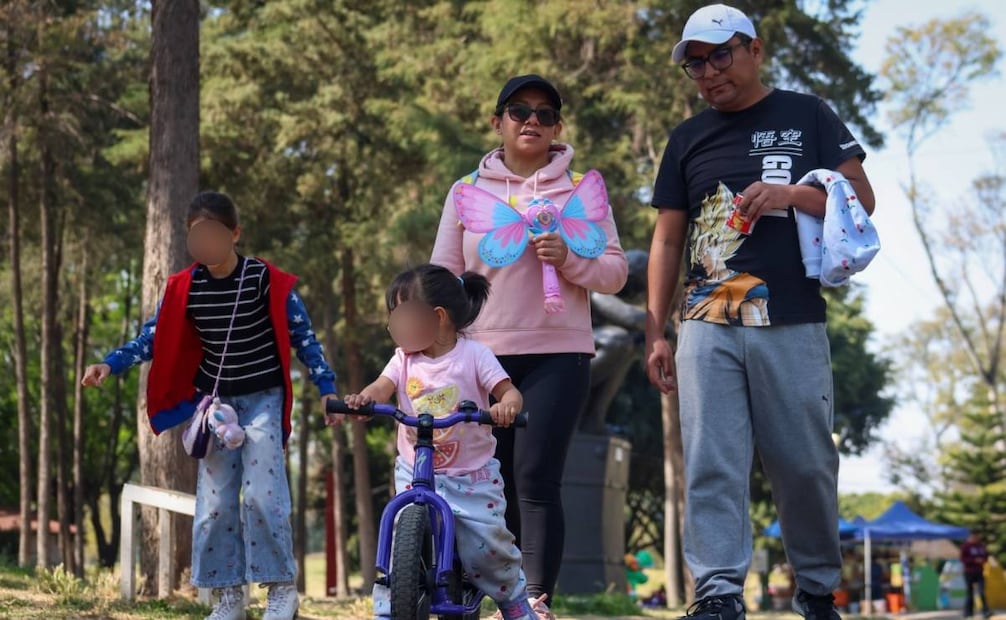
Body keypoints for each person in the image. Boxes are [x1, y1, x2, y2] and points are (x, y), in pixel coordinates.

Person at [643, 5, 876, 620]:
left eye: (720, 54)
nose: (709, 71)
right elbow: (668, 239)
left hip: (793, 317)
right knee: (712, 459)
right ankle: (718, 592)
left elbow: (862, 198)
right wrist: (655, 332)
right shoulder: (687, 138)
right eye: (695, 62)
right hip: (704, 318)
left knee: (804, 462)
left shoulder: (810, 113)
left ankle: (818, 590)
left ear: (755, 49)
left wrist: (791, 194)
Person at [82, 191, 336, 620]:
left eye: (213, 234)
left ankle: (280, 590)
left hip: (262, 401)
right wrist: (110, 364)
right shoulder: (186, 288)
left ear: (234, 234)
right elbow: (152, 338)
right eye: (195, 236)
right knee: (215, 504)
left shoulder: (262, 279)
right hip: (216, 409)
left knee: (261, 494)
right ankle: (228, 596)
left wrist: (326, 387)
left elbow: (304, 338)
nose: (203, 244)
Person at [431, 74, 628, 607]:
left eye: (545, 113)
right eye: (519, 111)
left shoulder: (581, 186)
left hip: (558, 356)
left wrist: (570, 258)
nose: (532, 121)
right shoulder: (466, 189)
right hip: (480, 358)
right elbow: (441, 279)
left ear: (557, 126)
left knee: (535, 480)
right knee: (480, 487)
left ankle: (534, 603)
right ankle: (476, 595)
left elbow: (614, 274)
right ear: (498, 122)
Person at [338, 264, 544, 620]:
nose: (394, 327)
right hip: (414, 469)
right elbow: (380, 387)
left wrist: (506, 407)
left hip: (471, 476)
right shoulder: (403, 360)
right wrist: (365, 400)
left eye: (402, 316)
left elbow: (507, 391)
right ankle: (389, 609)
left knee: (488, 548)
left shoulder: (474, 356)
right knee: (400, 538)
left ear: (438, 317)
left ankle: (514, 602)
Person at [961, 532, 992, 618]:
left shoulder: (980, 546)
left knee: (982, 592)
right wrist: (974, 560)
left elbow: (986, 556)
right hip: (969, 572)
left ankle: (986, 611)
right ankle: (968, 613)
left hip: (979, 571)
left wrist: (982, 560)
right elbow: (963, 559)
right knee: (970, 593)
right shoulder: (965, 546)